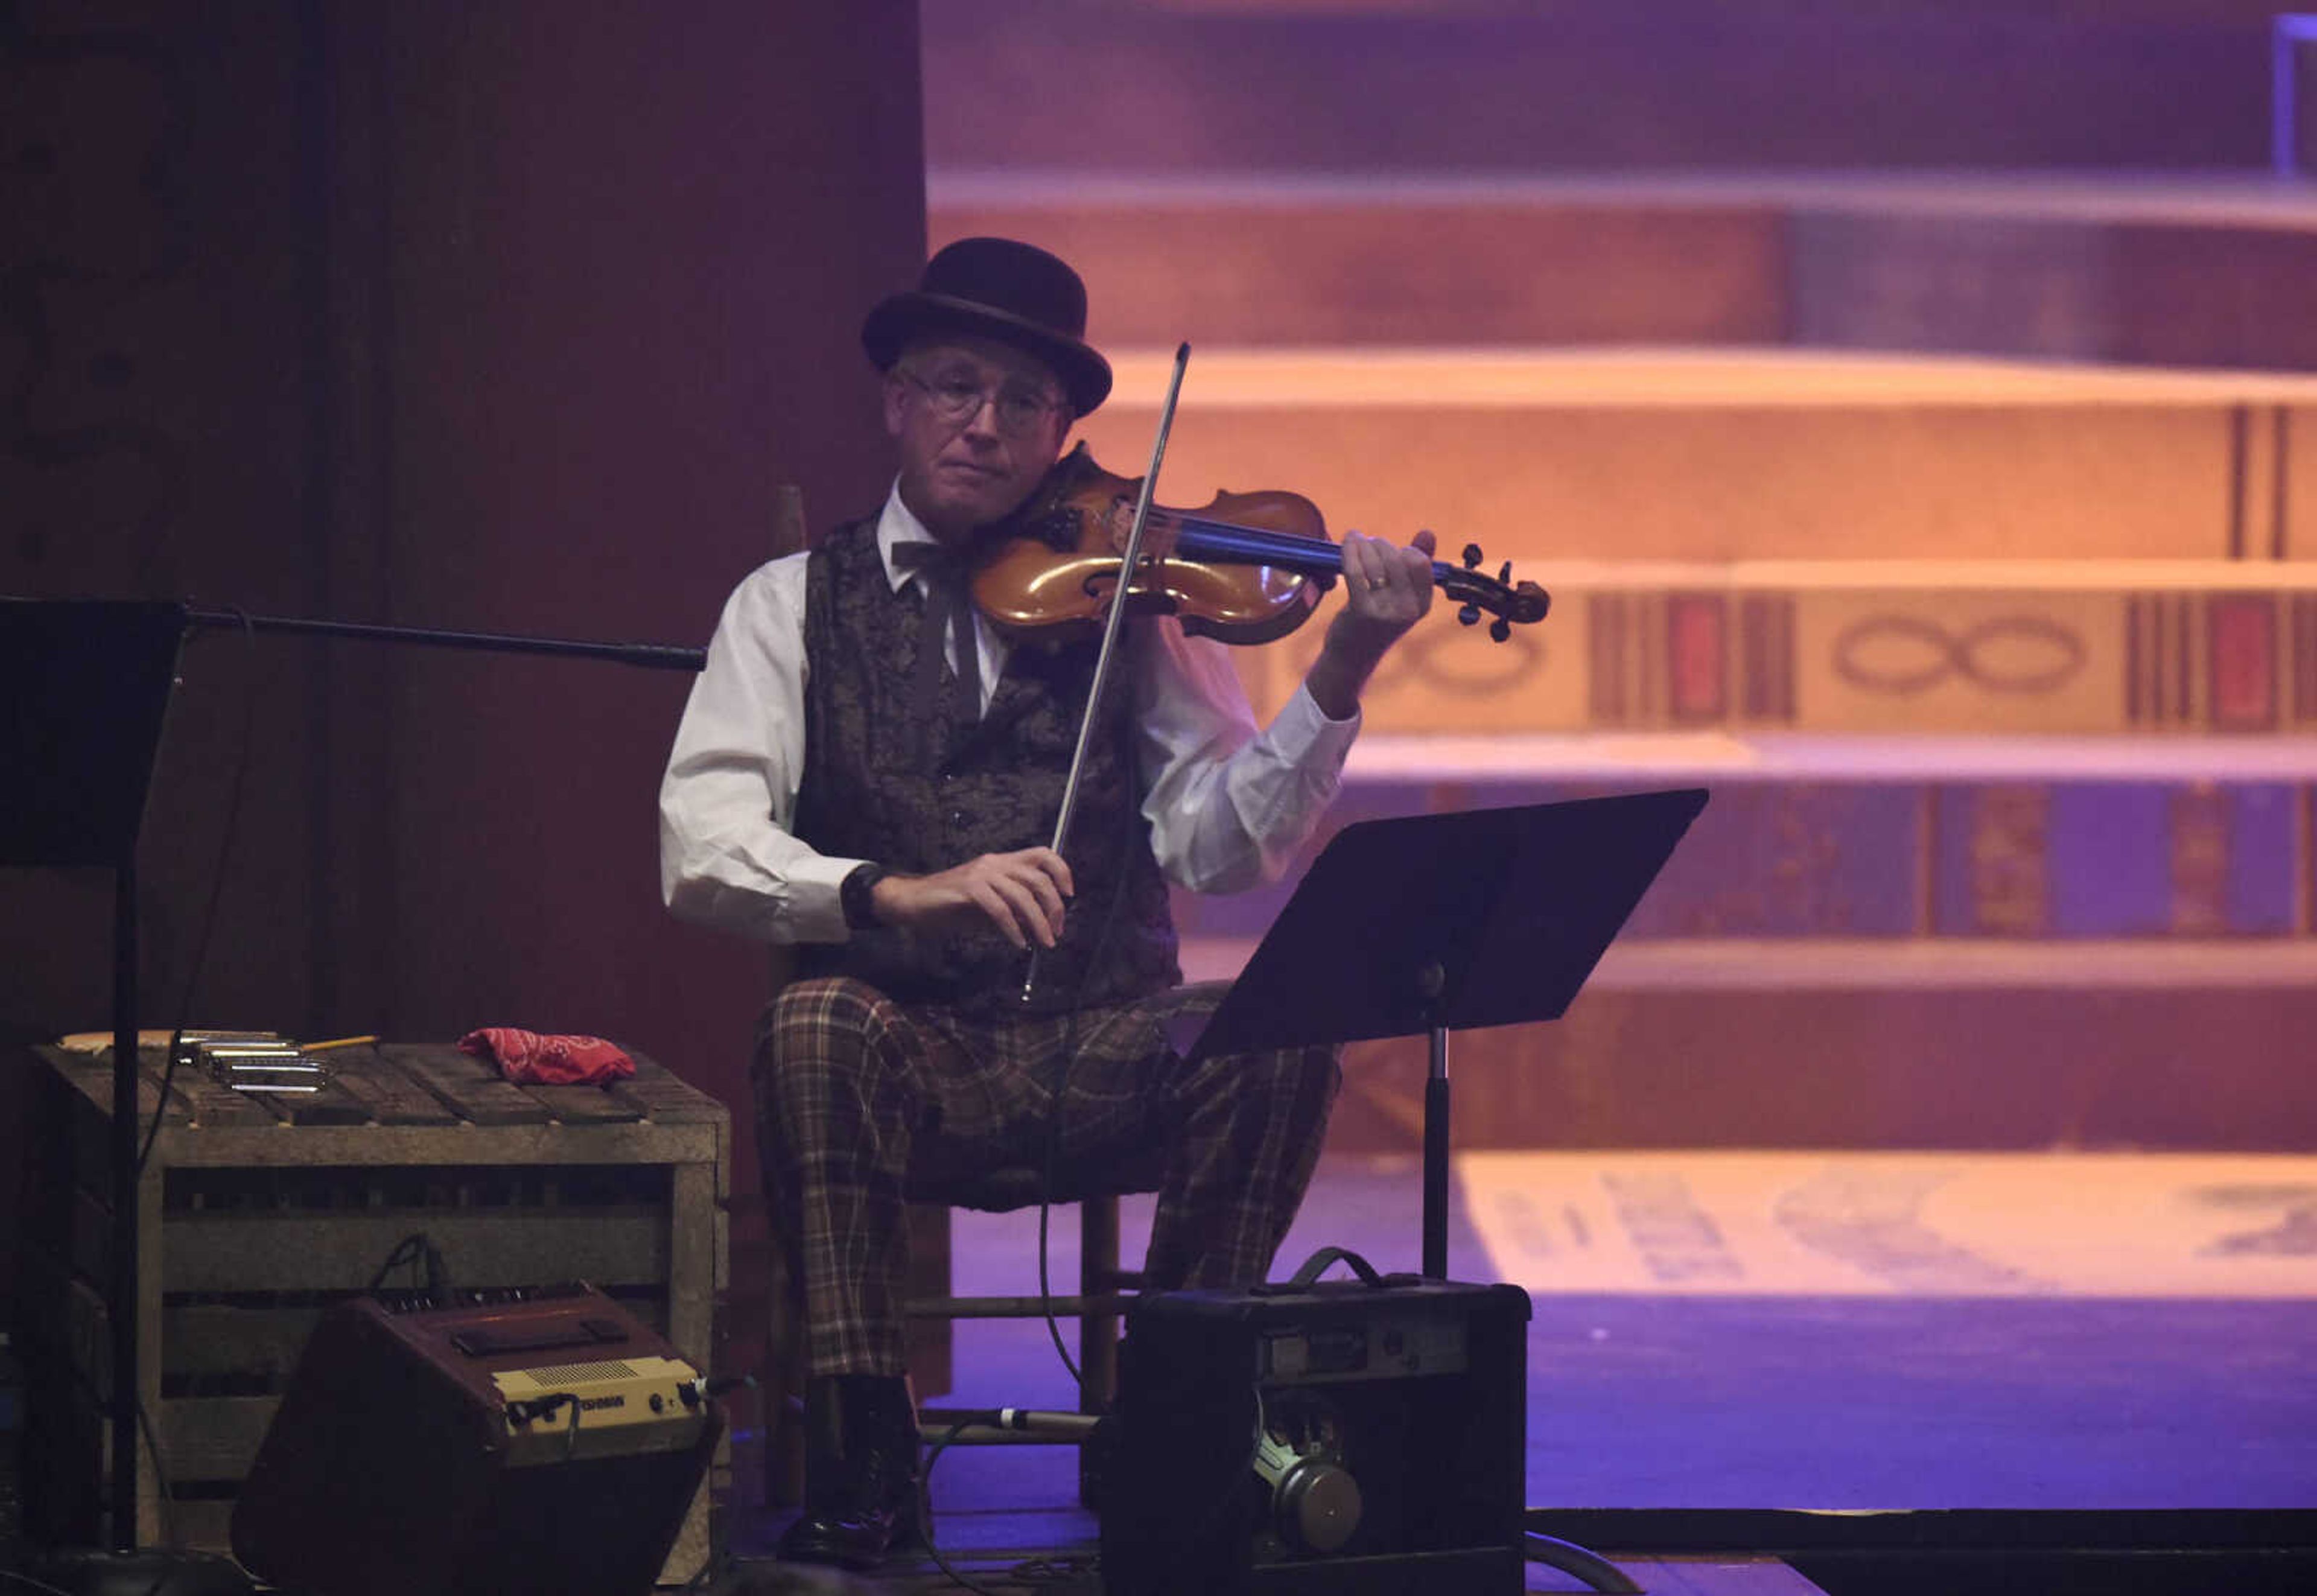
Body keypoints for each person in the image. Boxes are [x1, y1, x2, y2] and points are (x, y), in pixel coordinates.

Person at [657, 237, 1437, 1570]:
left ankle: (1177, 1428)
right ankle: (867, 1455)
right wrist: (897, 892)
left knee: (1278, 1025)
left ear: (1065, 431)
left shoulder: (1133, 603)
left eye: (1025, 401)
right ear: (895, 400)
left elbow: (1216, 852)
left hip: (1095, 1041)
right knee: (813, 1027)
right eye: (955, 385)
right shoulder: (790, 605)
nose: (986, 424)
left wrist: (1341, 673)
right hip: (908, 1058)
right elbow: (702, 843)